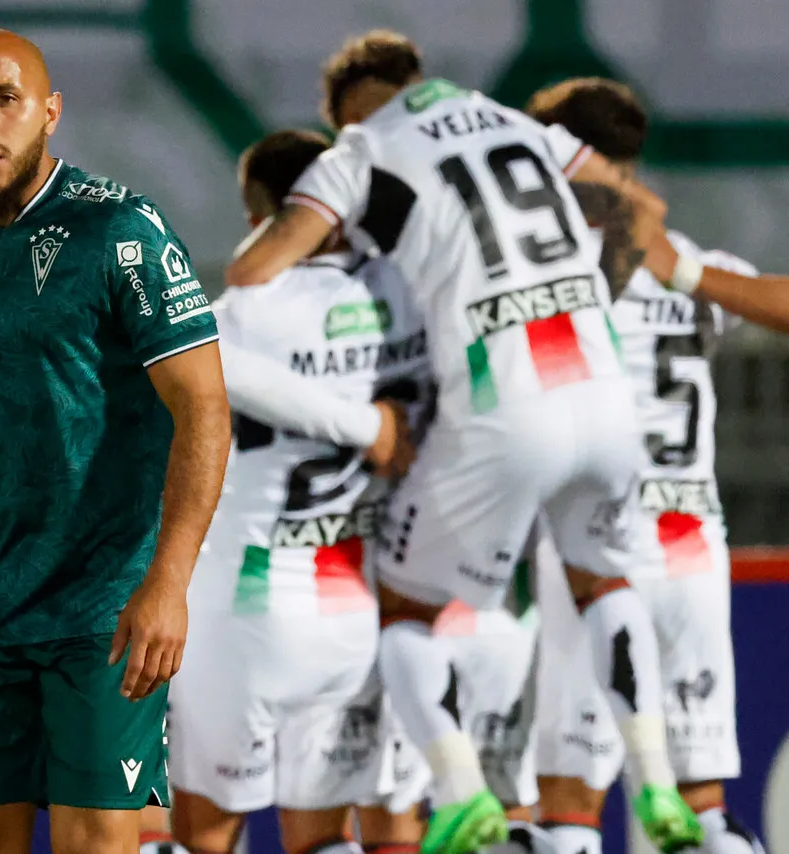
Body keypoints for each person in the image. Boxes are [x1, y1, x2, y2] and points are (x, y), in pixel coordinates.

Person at [226, 30, 702, 854]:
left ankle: (457, 795)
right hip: (598, 379)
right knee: (603, 582)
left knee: (409, 610)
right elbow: (643, 212)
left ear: (355, 111)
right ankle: (657, 781)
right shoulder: (511, 121)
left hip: (503, 399)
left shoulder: (363, 151)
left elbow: (259, 268)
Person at [0, 28, 231, 854]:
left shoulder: (123, 229)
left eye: (5, 98)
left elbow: (205, 408)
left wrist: (169, 583)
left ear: (49, 112)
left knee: (95, 845)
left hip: (103, 606)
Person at [168, 128, 426, 854]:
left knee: (207, 835)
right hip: (353, 608)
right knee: (322, 838)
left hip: (247, 612)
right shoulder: (402, 299)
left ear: (257, 220)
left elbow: (181, 359)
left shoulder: (242, 315)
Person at [526, 77, 767, 854]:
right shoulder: (690, 262)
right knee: (702, 808)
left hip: (595, 548)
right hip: (692, 544)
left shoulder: (556, 276)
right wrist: (686, 276)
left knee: (570, 804)